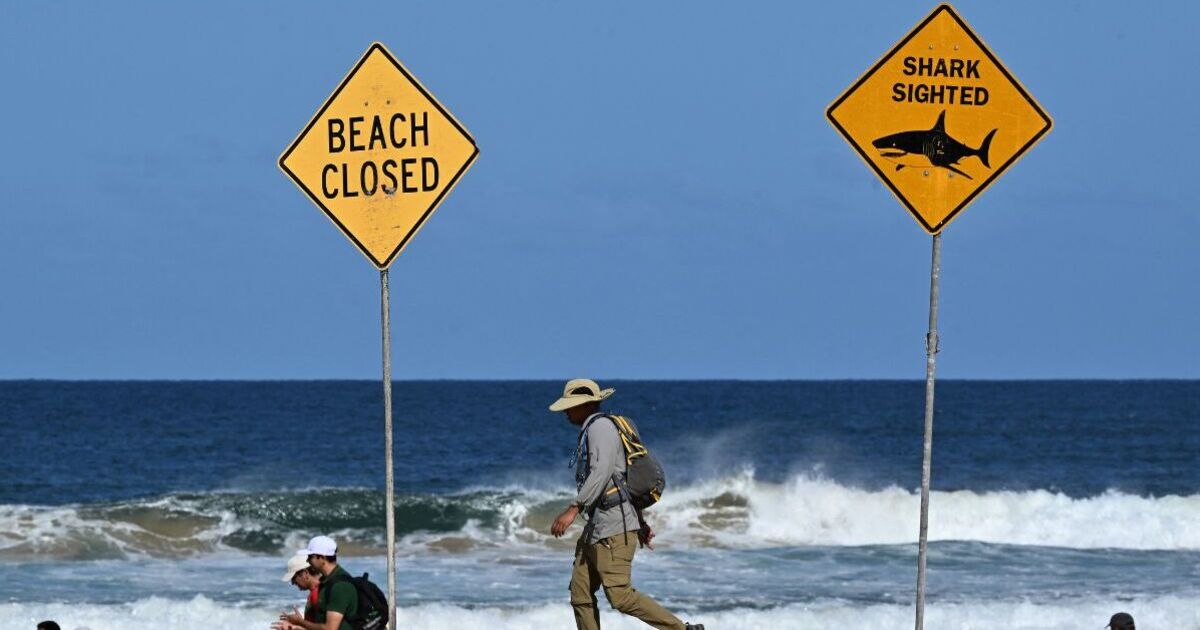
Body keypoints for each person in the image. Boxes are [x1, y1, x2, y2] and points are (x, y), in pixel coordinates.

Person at [548, 379, 703, 630]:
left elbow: (602, 472)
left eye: (570, 406)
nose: (566, 411)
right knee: (581, 595)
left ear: (586, 405)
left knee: (620, 596)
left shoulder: (600, 428)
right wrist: (639, 521)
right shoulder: (593, 429)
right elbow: (622, 482)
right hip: (598, 527)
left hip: (612, 527)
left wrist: (573, 508)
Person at [278, 536, 358, 630]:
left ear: (322, 558)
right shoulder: (327, 582)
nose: (307, 561)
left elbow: (330, 628)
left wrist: (301, 623)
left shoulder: (339, 586)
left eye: (310, 557)